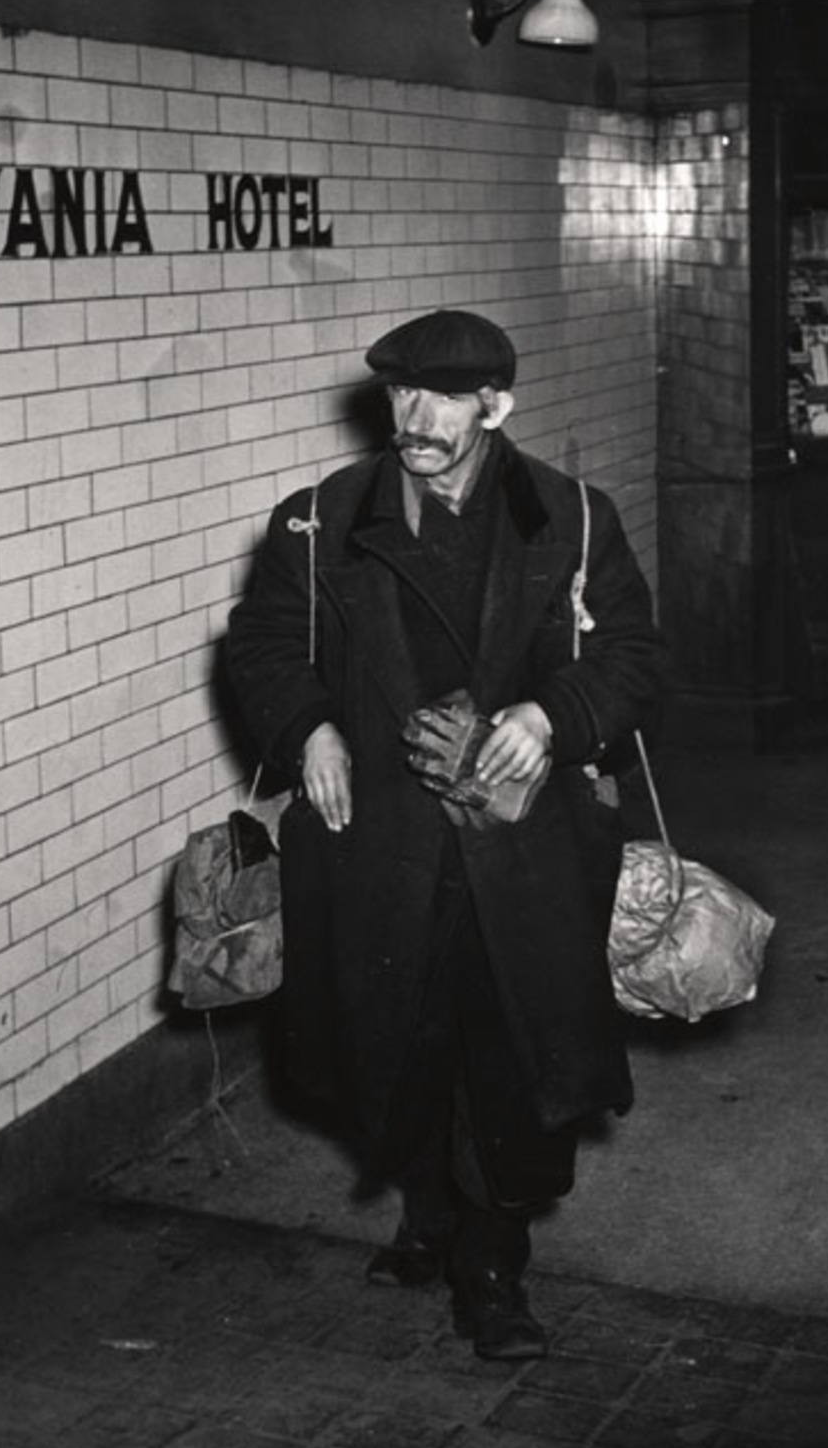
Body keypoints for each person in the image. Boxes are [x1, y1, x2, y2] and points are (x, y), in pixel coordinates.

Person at [223, 308, 664, 1359]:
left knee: (507, 1055)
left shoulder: (574, 519)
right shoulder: (318, 520)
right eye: (398, 395)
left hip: (520, 847)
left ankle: (493, 1266)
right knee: (397, 1039)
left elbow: (636, 655)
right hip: (381, 837)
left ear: (495, 405)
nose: (412, 419)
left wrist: (552, 715)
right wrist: (308, 727)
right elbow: (263, 643)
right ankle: (429, 1212)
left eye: (440, 399)